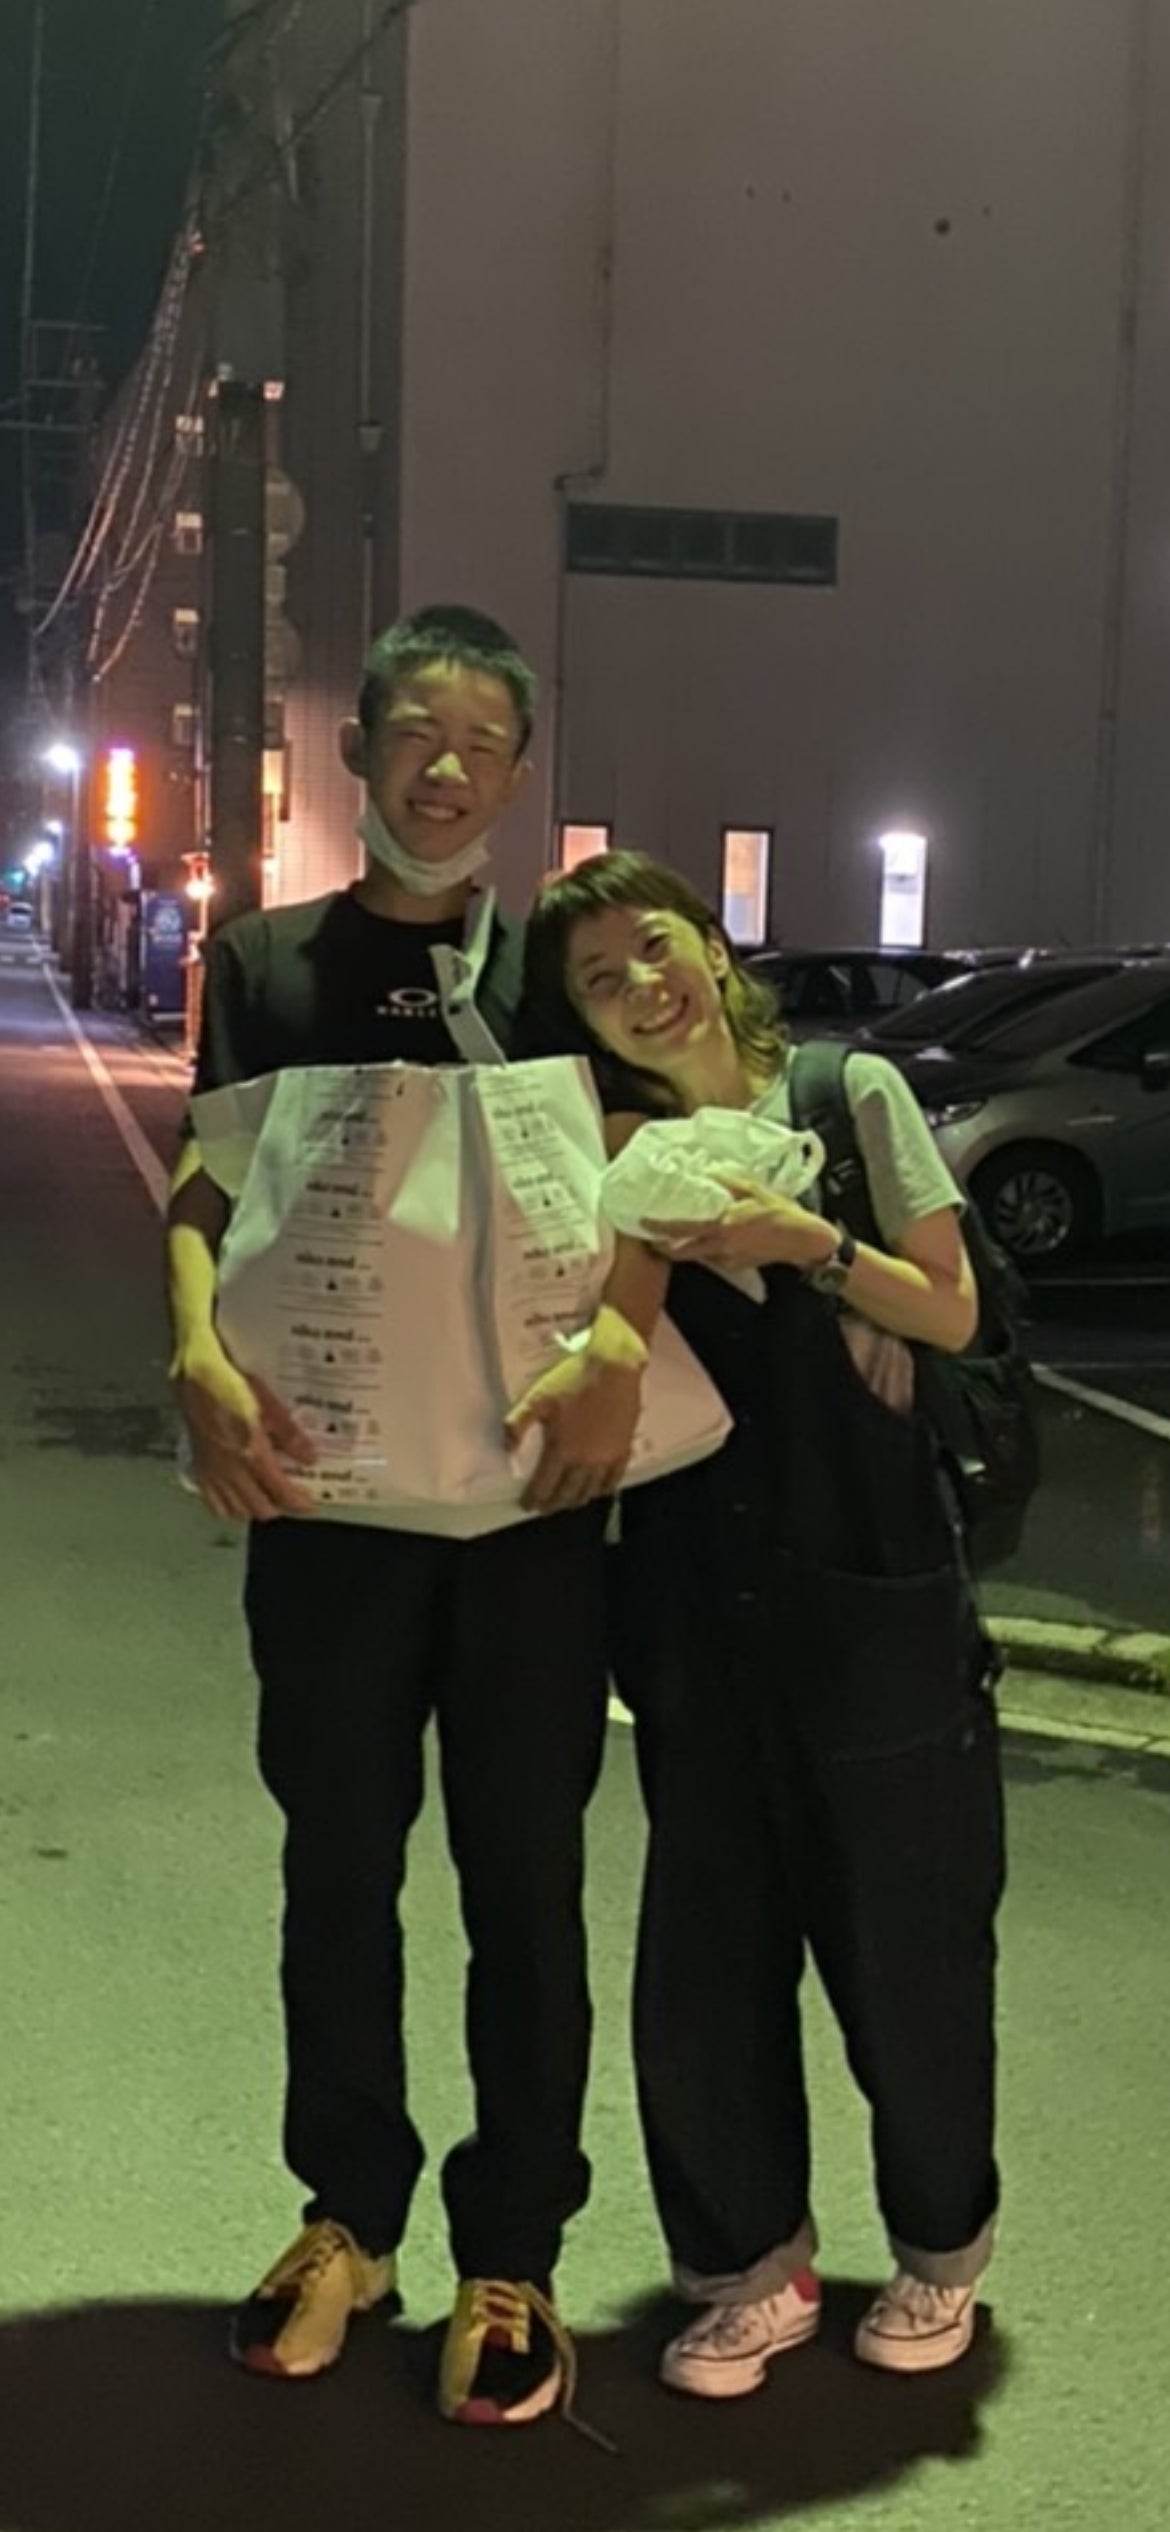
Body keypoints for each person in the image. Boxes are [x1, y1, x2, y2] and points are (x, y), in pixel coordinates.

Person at [166, 606, 652, 2428]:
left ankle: (510, 2249)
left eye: (483, 741)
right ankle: (348, 2218)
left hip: (534, 1512)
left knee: (526, 1886)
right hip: (332, 1505)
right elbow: (208, 1186)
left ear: (518, 772)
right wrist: (193, 1357)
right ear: (359, 745)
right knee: (337, 1870)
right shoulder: (267, 960)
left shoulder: (557, 976)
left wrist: (617, 1342)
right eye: (417, 732)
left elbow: (658, 1184)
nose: (446, 768)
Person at [518, 850, 1007, 2396]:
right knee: (705, 1960)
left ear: (710, 949)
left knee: (907, 1951)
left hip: (873, 1595)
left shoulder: (847, 1093)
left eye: (653, 946)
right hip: (691, 1604)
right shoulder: (613, 1160)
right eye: (598, 980)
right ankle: (751, 2269)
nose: (638, 987)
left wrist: (807, 1247)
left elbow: (949, 1309)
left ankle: (938, 2254)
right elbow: (591, 1343)